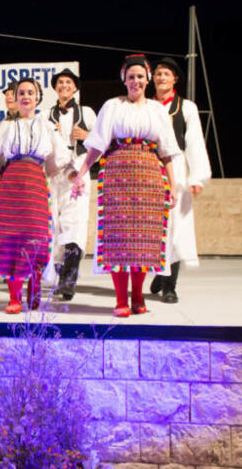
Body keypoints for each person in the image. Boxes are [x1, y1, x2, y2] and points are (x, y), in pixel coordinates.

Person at [70, 55, 180, 317]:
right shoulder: (112, 106)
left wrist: (173, 185)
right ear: (124, 79)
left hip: (149, 175)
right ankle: (121, 300)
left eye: (140, 76)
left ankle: (138, 296)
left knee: (143, 239)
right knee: (119, 240)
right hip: (117, 173)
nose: (136, 81)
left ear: (147, 78)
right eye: (131, 77)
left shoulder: (157, 110)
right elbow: (97, 144)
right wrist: (81, 173)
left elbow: (167, 151)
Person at [0, 78, 67, 314]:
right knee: (10, 239)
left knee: (36, 236)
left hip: (35, 185)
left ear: (38, 98)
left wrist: (76, 177)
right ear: (15, 99)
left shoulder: (47, 126)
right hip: (10, 186)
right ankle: (14, 297)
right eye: (21, 93)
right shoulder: (5, 127)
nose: (25, 96)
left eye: (30, 92)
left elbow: (61, 159)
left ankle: (34, 283)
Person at [149, 57, 211, 303]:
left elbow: (195, 142)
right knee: (151, 227)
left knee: (175, 228)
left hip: (176, 167)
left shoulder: (186, 107)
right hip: (149, 167)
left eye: (166, 73)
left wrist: (197, 176)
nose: (161, 77)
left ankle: (169, 285)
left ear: (175, 79)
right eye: (158, 73)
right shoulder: (146, 105)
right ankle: (158, 270)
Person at [46, 68, 96, 300]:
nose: (64, 85)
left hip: (78, 174)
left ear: (75, 87)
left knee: (74, 226)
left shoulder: (87, 112)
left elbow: (102, 142)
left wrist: (87, 136)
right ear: (55, 87)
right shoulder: (46, 115)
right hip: (54, 176)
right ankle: (58, 278)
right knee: (54, 227)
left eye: (68, 82)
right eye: (60, 82)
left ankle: (68, 282)